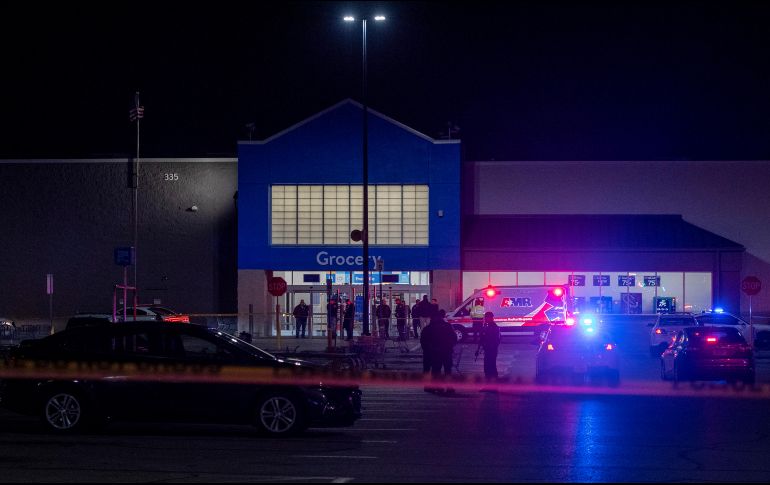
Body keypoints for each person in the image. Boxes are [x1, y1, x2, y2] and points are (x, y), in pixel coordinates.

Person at [480, 311, 501, 380]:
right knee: (487, 367)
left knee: (491, 366)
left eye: (487, 317)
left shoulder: (494, 327)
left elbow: (497, 340)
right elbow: (482, 338)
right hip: (488, 349)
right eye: (485, 317)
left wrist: (491, 347)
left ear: (491, 318)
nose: (485, 318)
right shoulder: (486, 326)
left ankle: (493, 384)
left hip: (491, 350)